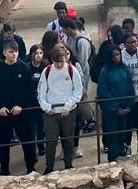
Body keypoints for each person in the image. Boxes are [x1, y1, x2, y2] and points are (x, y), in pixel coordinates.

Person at [0, 41, 38, 177]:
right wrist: (0, 106)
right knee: (4, 143)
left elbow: (29, 90)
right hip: (3, 113)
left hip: (21, 112)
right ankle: (4, 170)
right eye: (11, 51)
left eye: (16, 51)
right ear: (4, 53)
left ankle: (30, 168)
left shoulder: (24, 68)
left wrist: (20, 105)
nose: (14, 54)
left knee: (27, 141)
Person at [38, 44, 84, 173]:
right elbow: (41, 92)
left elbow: (78, 91)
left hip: (68, 110)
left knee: (68, 139)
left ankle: (68, 164)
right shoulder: (46, 71)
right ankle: (49, 166)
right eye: (57, 62)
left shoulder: (72, 70)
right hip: (51, 111)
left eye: (61, 62)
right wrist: (46, 107)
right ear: (52, 60)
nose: (59, 65)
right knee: (51, 140)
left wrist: (68, 106)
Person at [97, 45, 134, 160]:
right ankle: (113, 158)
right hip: (112, 111)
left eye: (118, 54)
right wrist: (115, 108)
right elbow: (103, 91)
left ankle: (122, 156)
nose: (117, 57)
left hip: (124, 108)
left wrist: (129, 106)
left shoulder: (124, 68)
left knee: (122, 135)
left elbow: (130, 87)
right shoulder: (105, 71)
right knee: (112, 136)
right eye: (114, 55)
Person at [63, 17, 96, 131]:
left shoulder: (82, 41)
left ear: (68, 28)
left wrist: (81, 78)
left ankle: (91, 119)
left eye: (65, 30)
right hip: (73, 72)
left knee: (82, 97)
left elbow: (83, 61)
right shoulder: (71, 39)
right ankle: (83, 119)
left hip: (81, 73)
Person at [119, 34, 138, 152]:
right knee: (128, 122)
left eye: (134, 42)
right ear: (125, 44)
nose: (132, 45)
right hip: (126, 95)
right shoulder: (121, 56)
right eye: (129, 43)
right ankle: (127, 145)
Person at [28, 44, 49, 155]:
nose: (39, 55)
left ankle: (41, 145)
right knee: (32, 125)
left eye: (41, 53)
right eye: (36, 53)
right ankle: (32, 147)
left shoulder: (46, 66)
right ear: (32, 54)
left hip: (43, 99)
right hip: (31, 100)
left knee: (41, 125)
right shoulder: (27, 67)